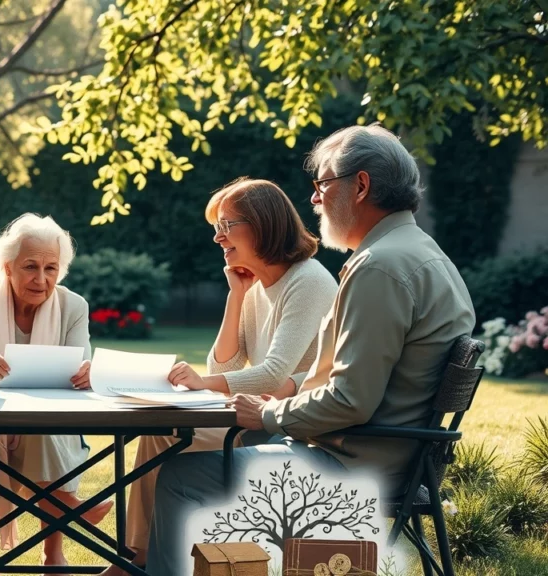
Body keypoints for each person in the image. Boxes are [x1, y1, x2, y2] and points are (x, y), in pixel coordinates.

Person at [144, 124, 476, 576]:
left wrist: (266, 415)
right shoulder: (421, 252)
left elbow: (350, 400)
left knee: (181, 478)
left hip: (353, 465)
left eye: (322, 184)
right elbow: (357, 376)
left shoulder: (379, 267)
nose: (315, 199)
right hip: (392, 457)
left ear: (360, 186)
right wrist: (287, 394)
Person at [101, 178, 339, 575]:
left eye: (227, 225)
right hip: (259, 417)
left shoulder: (308, 281)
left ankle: (150, 563)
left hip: (290, 430)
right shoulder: (260, 286)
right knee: (158, 432)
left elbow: (271, 374)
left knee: (168, 442)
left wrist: (202, 384)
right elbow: (224, 368)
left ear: (262, 225)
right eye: (216, 227)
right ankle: (138, 557)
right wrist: (236, 296)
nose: (218, 238)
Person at [0, 213, 113, 572]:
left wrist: (88, 372)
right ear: (7, 267)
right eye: (30, 266)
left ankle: (52, 553)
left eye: (51, 268)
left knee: (41, 429)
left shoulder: (73, 306)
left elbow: (83, 369)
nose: (41, 279)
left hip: (55, 425)